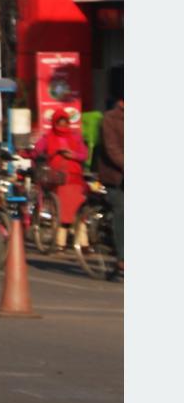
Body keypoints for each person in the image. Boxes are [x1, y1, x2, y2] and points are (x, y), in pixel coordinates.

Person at [31, 105, 92, 251]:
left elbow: (84, 155)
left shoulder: (76, 137)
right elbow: (36, 152)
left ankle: (82, 243)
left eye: (65, 121)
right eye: (59, 122)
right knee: (62, 213)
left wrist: (73, 155)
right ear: (54, 122)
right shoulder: (47, 137)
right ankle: (60, 243)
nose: (62, 125)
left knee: (79, 212)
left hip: (75, 179)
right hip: (58, 179)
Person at [95, 96, 123, 277]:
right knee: (122, 210)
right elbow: (112, 149)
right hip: (116, 176)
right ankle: (123, 257)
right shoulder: (110, 119)